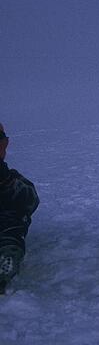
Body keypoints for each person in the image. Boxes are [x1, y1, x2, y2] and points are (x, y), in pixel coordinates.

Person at [0, 123, 40, 294]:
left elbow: (28, 198)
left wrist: (5, 181)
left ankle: (7, 256)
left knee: (12, 219)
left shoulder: (10, 181)